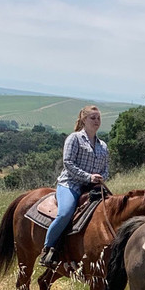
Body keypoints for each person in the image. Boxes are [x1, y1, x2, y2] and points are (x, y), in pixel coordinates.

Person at [38, 105, 109, 266]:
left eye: (98, 118)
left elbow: (106, 169)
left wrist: (100, 178)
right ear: (84, 119)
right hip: (71, 184)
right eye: (93, 118)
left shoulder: (103, 146)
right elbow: (68, 163)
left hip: (94, 188)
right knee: (65, 213)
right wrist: (88, 177)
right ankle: (48, 248)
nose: (96, 121)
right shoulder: (74, 138)